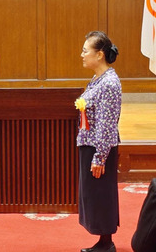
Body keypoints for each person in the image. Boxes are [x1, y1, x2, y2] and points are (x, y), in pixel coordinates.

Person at [75, 31, 121, 252]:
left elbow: (107, 123)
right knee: (95, 195)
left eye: (85, 51)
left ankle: (107, 244)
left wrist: (100, 156)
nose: (81, 55)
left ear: (99, 54)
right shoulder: (98, 79)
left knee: (102, 195)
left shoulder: (109, 83)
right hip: (90, 144)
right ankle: (103, 241)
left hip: (99, 148)